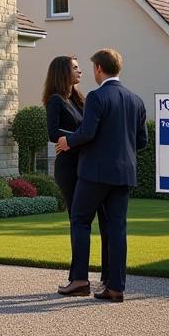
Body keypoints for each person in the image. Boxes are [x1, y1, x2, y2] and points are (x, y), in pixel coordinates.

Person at [55, 49, 148, 302]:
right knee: (117, 228)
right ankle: (115, 287)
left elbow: (87, 133)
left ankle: (80, 280)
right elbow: (142, 141)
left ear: (98, 68)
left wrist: (67, 143)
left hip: (94, 173)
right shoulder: (136, 100)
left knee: (80, 220)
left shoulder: (97, 97)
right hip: (124, 174)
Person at [41, 55, 108, 292]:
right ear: (63, 72)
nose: (81, 71)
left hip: (86, 164)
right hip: (68, 167)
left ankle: (101, 277)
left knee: (98, 220)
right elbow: (52, 132)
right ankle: (78, 278)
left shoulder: (81, 99)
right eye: (75, 68)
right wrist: (74, 139)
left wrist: (77, 139)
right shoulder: (56, 100)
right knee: (77, 220)